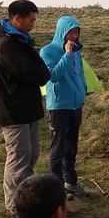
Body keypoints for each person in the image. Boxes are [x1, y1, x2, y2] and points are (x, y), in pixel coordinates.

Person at [0, 0, 51, 213]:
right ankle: (15, 207)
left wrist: (41, 72)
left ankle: (26, 199)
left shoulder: (21, 40)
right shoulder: (6, 45)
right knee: (19, 157)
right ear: (17, 19)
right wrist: (41, 73)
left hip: (27, 108)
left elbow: (41, 71)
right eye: (31, 20)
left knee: (31, 154)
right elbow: (32, 73)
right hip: (14, 110)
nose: (33, 24)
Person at [40, 15, 90, 199]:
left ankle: (71, 182)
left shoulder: (77, 50)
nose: (74, 36)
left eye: (76, 32)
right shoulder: (48, 51)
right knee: (58, 147)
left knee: (72, 146)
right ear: (62, 32)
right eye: (71, 32)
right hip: (59, 106)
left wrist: (83, 90)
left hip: (76, 105)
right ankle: (56, 187)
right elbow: (53, 76)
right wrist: (67, 54)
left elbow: (80, 74)